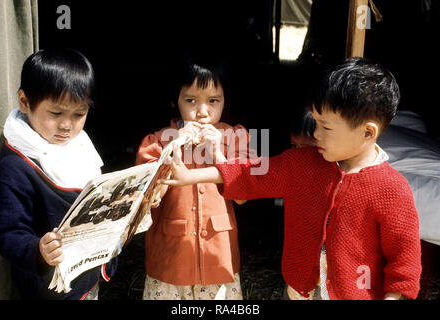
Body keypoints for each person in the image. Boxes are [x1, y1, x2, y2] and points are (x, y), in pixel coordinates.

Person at [160, 58, 422, 300]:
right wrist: (189, 176)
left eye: (326, 127)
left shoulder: (392, 190)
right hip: (297, 293)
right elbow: (249, 173)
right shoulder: (302, 164)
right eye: (316, 122)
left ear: (367, 132)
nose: (315, 134)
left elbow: (404, 261)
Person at [0, 48, 117, 299]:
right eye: (56, 113)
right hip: (49, 288)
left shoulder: (80, 146)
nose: (67, 125)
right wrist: (38, 250)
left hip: (87, 277)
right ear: (25, 102)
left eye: (79, 114)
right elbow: (7, 234)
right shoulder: (17, 165)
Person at [135, 53, 255, 300]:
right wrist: (173, 148)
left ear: (225, 101)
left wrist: (219, 154)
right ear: (174, 100)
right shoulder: (156, 142)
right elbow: (146, 199)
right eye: (191, 100)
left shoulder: (236, 139)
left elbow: (244, 195)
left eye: (213, 101)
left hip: (218, 259)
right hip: (170, 261)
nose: (203, 112)